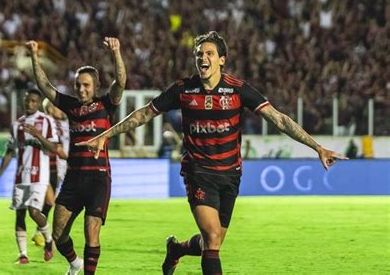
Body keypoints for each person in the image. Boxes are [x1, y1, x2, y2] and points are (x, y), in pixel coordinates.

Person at [77, 31, 348, 275]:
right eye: (199, 54)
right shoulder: (183, 89)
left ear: (222, 60)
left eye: (209, 53)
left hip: (230, 175)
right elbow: (145, 114)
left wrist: (317, 147)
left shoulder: (238, 90)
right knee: (214, 238)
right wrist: (105, 135)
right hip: (198, 172)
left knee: (211, 241)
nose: (203, 58)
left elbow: (279, 119)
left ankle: (177, 249)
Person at [27, 37, 127, 275]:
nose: (81, 89)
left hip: (98, 180)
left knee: (91, 231)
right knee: (58, 233)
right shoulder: (71, 107)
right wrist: (34, 56)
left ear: (95, 86)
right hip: (73, 179)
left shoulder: (106, 105)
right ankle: (74, 263)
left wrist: (116, 53)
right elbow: (45, 87)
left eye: (86, 85)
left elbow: (121, 81)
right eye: (78, 85)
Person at [0, 88, 67, 264]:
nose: (30, 104)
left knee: (34, 212)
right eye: (27, 101)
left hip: (40, 175)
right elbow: (9, 153)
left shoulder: (46, 121)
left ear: (39, 103)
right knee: (19, 214)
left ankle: (48, 239)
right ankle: (23, 254)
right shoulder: (17, 125)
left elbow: (54, 147)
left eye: (33, 101)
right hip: (20, 175)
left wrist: (38, 135)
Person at [31, 98, 70, 247]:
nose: (61, 109)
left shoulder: (66, 123)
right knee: (50, 201)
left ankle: (43, 232)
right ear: (51, 109)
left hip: (62, 166)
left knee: (54, 201)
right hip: (49, 165)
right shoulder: (46, 122)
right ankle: (42, 233)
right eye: (57, 107)